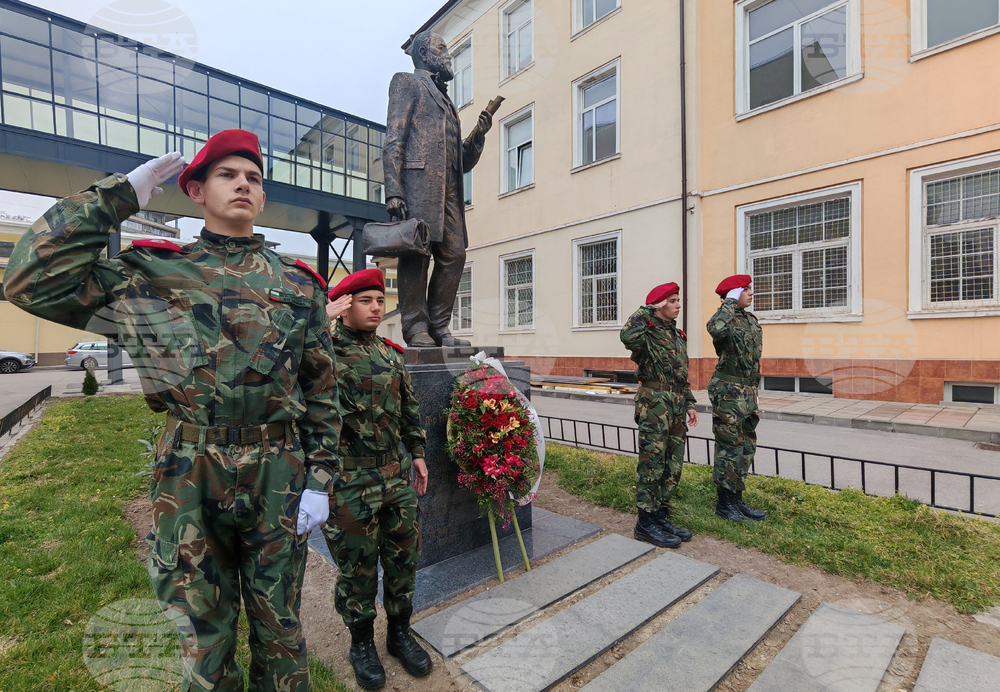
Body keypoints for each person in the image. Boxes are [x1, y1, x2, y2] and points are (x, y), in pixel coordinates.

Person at [4, 131, 341, 690]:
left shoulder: (297, 283)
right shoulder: (151, 275)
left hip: (277, 469)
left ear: (262, 197)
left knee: (280, 624)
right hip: (189, 467)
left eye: (253, 178)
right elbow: (29, 278)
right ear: (195, 190)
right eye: (227, 174)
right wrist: (119, 196)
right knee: (200, 630)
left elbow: (321, 390)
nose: (243, 184)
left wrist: (321, 479)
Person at [322, 268, 431, 691]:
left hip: (394, 475)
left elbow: (409, 407)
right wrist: (318, 320)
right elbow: (280, 361)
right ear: (345, 305)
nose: (376, 308)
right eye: (366, 301)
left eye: (380, 301)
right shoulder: (323, 350)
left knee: (404, 559)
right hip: (349, 479)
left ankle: (400, 632)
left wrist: (418, 453)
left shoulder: (391, 353)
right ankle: (361, 642)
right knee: (358, 567)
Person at [383, 30, 493, 347]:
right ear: (423, 53)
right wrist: (393, 189)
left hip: (450, 192)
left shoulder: (446, 100)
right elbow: (394, 139)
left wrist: (478, 135)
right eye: (442, 48)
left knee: (455, 255)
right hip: (418, 187)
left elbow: (461, 161)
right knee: (417, 257)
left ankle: (439, 327)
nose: (447, 55)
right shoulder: (407, 83)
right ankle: (416, 328)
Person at [621, 282, 699, 549]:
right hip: (654, 403)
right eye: (673, 300)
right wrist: (646, 310)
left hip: (676, 402)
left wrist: (688, 402)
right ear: (660, 304)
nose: (678, 305)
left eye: (679, 300)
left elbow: (681, 375)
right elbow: (627, 336)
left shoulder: (677, 335)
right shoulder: (646, 333)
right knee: (652, 463)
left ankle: (661, 514)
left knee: (672, 464)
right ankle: (645, 522)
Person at [707, 274, 767, 523]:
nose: (751, 293)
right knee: (729, 448)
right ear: (733, 295)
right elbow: (715, 329)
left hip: (747, 391)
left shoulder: (749, 320)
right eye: (745, 289)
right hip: (728, 391)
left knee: (746, 446)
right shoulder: (724, 319)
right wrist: (728, 304)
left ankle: (737, 499)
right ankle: (724, 503)